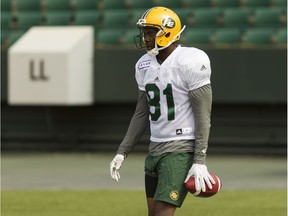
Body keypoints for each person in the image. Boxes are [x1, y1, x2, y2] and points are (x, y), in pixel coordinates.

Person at [110, 6, 215, 216]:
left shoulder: (190, 60)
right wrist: (122, 151)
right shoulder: (143, 65)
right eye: (145, 32)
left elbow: (203, 115)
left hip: (179, 149)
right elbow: (141, 114)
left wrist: (199, 160)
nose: (145, 38)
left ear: (167, 31)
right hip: (155, 148)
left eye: (150, 32)